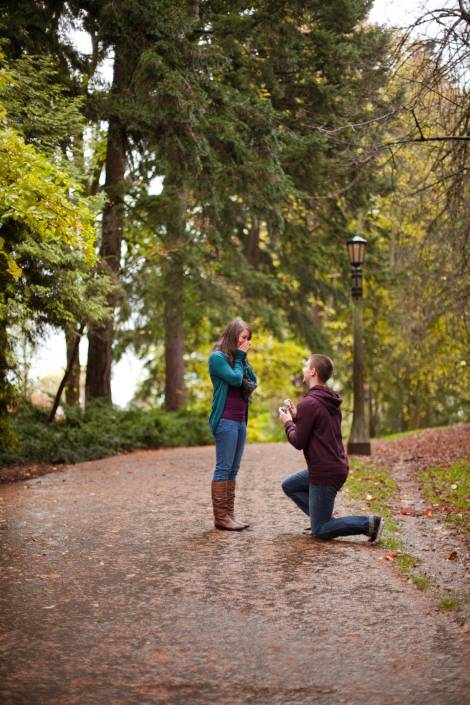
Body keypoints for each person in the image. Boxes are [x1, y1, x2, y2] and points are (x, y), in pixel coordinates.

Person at [278, 354, 384, 543]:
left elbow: (298, 441)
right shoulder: (327, 399)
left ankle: (369, 524)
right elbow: (317, 426)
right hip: (332, 465)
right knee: (290, 485)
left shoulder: (310, 403)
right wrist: (297, 416)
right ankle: (321, 518)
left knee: (320, 530)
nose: (303, 369)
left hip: (325, 471)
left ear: (313, 372)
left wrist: (287, 423)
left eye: (306, 366)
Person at [208, 318, 257, 531]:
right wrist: (240, 357)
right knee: (224, 468)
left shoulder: (237, 358)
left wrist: (242, 358)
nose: (246, 342)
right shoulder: (217, 358)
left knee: (233, 469)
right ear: (233, 335)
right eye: (243, 337)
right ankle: (221, 517)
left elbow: (252, 379)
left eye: (248, 339)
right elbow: (236, 380)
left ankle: (229, 515)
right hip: (226, 420)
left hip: (240, 420)